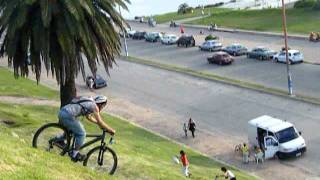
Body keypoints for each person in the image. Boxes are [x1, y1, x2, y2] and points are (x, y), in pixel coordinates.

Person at [58, 95, 115, 162]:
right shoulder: (94, 106)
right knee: (81, 134)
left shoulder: (89, 102)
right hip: (68, 116)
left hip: (63, 112)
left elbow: (89, 117)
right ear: (100, 104)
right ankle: (74, 154)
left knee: (73, 130)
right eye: (103, 106)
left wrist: (98, 124)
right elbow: (100, 121)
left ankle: (59, 140)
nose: (102, 107)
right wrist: (110, 130)